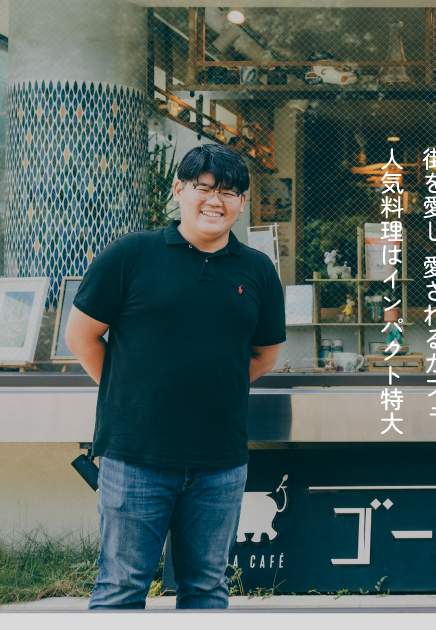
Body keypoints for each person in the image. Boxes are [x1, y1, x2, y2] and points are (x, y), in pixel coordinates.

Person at [65, 144, 286, 609]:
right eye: (204, 188)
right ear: (179, 190)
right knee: (121, 588)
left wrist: (212, 390)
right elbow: (81, 336)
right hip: (135, 456)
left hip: (219, 462)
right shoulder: (130, 255)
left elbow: (265, 354)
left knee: (206, 588)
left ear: (242, 202)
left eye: (229, 192)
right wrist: (132, 392)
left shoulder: (257, 270)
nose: (215, 201)